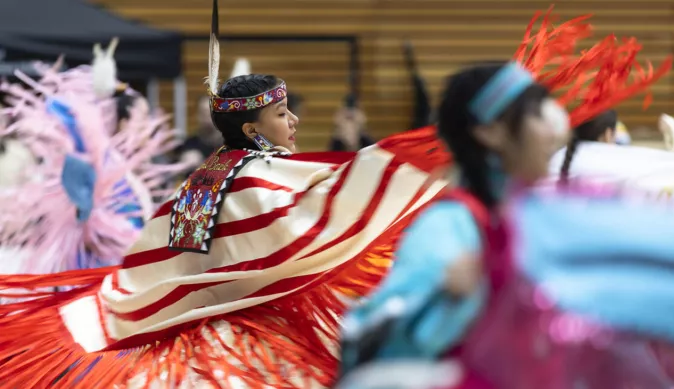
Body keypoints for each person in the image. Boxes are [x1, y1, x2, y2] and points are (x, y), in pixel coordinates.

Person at [0, 1, 451, 387]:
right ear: (252, 128)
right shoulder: (259, 178)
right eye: (281, 112)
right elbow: (331, 210)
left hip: (189, 350)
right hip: (243, 347)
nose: (293, 121)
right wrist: (434, 156)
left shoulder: (205, 176)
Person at [338, 10, 674, 389]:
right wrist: (460, 298)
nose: (553, 130)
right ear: (489, 132)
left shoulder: (543, 217)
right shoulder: (451, 227)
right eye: (535, 113)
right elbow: (366, 338)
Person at [0, 39, 188, 276]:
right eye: (141, 118)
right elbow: (96, 225)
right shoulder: (98, 168)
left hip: (115, 272)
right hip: (96, 276)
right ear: (122, 122)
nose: (147, 127)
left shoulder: (115, 169)